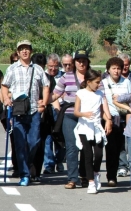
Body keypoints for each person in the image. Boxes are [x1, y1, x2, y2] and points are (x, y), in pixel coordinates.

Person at [0, 40, 49, 187]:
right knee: (20, 144)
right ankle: (24, 174)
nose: (24, 51)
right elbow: (4, 86)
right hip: (18, 111)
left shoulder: (38, 69)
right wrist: (6, 99)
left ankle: (26, 165)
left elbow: (46, 86)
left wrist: (44, 103)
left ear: (31, 51)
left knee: (34, 142)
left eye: (27, 49)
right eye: (21, 49)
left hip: (34, 110)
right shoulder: (12, 69)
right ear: (18, 52)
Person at [52, 51, 88, 189]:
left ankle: (85, 176)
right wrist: (44, 101)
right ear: (75, 62)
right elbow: (56, 94)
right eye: (78, 60)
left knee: (86, 147)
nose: (81, 63)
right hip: (69, 114)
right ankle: (72, 178)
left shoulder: (92, 76)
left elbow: (101, 95)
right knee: (72, 147)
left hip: (86, 116)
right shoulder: (66, 77)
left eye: (84, 60)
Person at [73, 69, 112, 194]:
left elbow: (104, 111)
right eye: (96, 82)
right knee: (88, 154)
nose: (98, 84)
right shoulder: (81, 93)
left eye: (100, 82)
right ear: (88, 82)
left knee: (99, 154)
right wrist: (84, 114)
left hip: (97, 127)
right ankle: (90, 182)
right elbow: (76, 112)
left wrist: (108, 120)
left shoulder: (100, 94)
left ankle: (96, 173)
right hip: (84, 127)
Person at [102, 57, 131, 186]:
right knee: (111, 148)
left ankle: (123, 168)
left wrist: (129, 122)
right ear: (108, 69)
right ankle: (111, 176)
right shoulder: (103, 83)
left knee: (122, 147)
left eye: (119, 68)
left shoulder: (126, 82)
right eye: (113, 68)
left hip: (124, 118)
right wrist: (108, 118)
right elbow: (102, 102)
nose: (116, 71)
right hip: (110, 118)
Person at [43, 53, 65, 176]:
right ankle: (49, 165)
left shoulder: (64, 77)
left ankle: (59, 161)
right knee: (47, 138)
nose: (53, 69)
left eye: (55, 66)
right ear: (47, 65)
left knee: (60, 138)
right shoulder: (43, 76)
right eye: (51, 66)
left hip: (61, 110)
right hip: (48, 109)